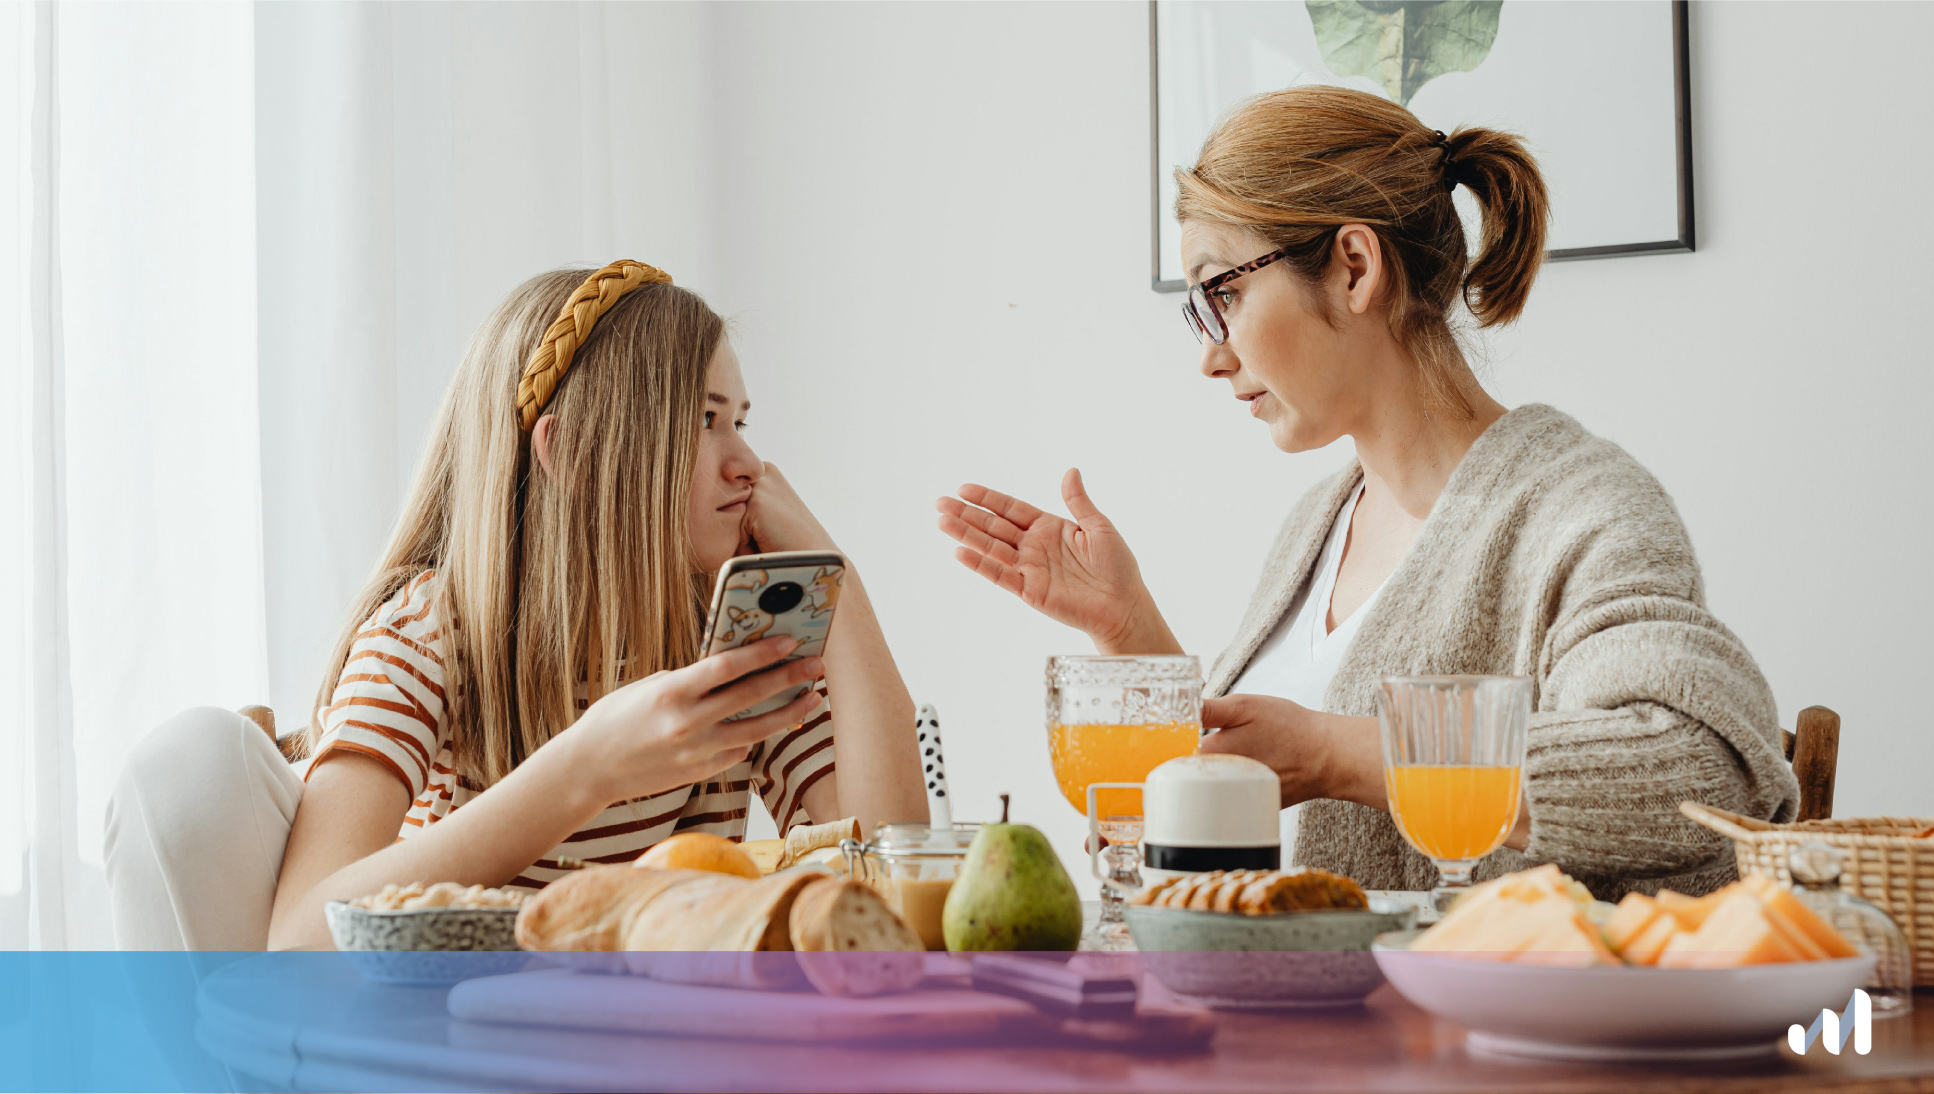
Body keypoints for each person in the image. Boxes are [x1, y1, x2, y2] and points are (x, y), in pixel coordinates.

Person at [937, 87, 1798, 899]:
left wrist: (1339, 754)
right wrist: (1130, 630)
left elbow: (1700, 768)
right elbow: (1247, 791)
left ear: (1353, 267)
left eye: (1224, 292)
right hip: (1281, 1030)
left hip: (1472, 1046)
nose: (1210, 352)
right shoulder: (1320, 522)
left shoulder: (1579, 511)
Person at [107, 262, 926, 950]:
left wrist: (836, 580)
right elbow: (299, 940)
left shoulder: (724, 642)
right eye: (705, 422)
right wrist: (588, 766)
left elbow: (896, 876)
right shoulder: (430, 629)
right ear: (568, 450)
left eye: (741, 421)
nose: (747, 462)